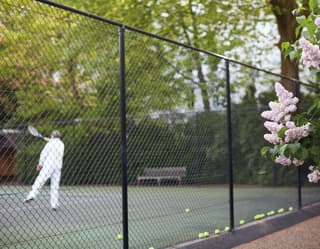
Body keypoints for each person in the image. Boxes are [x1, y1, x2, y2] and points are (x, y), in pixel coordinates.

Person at [24, 130, 65, 210]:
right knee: (55, 186)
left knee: (40, 180)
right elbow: (54, 143)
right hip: (58, 167)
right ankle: (54, 204)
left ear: (52, 136)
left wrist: (40, 164)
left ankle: (32, 195)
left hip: (48, 165)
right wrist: (50, 141)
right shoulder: (61, 144)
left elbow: (43, 154)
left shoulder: (49, 143)